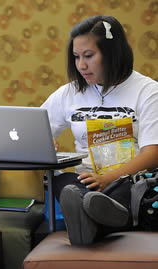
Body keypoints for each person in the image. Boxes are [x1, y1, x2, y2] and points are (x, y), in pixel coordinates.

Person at [41, 15, 158, 245]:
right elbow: (34, 127)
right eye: (76, 57)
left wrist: (108, 179)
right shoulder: (69, 93)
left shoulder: (148, 91)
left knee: (125, 190)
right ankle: (98, 218)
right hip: (86, 181)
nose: (81, 65)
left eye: (89, 56)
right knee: (65, 183)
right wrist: (44, 142)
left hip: (130, 179)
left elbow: (152, 153)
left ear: (112, 53)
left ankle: (92, 225)